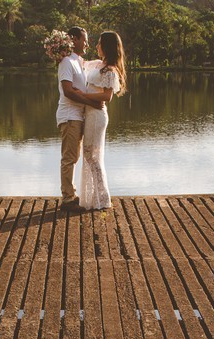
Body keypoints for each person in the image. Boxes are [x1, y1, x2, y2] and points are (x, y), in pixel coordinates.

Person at [56, 27, 104, 211]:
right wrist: (90, 102)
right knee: (69, 157)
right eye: (84, 39)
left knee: (74, 156)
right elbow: (68, 91)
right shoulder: (66, 62)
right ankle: (67, 199)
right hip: (69, 116)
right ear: (74, 39)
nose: (87, 43)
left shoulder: (79, 61)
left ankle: (71, 193)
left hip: (79, 116)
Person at [78, 31, 127, 211]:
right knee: (89, 155)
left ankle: (102, 197)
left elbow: (106, 97)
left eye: (99, 43)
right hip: (90, 113)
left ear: (106, 46)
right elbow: (80, 63)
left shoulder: (110, 70)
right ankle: (94, 197)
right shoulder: (98, 64)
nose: (96, 46)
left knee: (93, 155)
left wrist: (83, 95)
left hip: (97, 116)